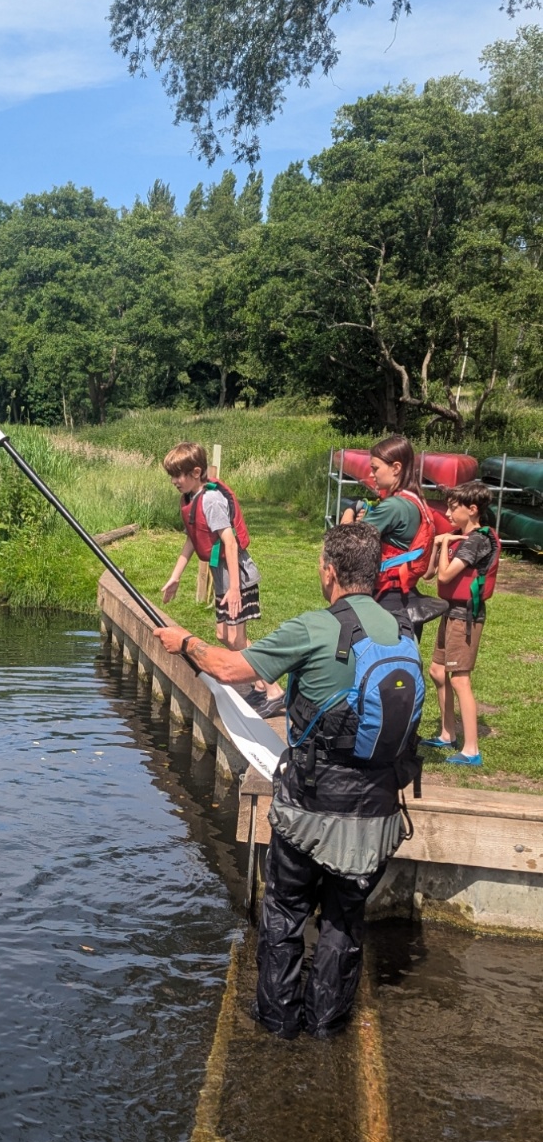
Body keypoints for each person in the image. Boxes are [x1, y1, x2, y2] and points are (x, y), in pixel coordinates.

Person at [154, 523, 423, 1038]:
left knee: (285, 911)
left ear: (330, 572)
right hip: (378, 808)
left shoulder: (315, 627)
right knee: (345, 919)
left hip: (311, 806)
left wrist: (184, 641)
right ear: (373, 573)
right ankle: (327, 1024)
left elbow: (227, 667)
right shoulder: (402, 632)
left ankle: (278, 1024)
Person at [160, 441, 284, 716]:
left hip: (236, 575)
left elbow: (230, 543)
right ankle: (259, 685)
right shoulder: (192, 499)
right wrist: (175, 577)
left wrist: (235, 589)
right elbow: (192, 540)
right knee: (223, 635)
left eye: (178, 475)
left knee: (237, 639)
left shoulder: (211, 500)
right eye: (171, 475)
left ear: (196, 472)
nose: (174, 481)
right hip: (223, 576)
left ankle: (275, 692)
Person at [421, 480, 500, 769]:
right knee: (437, 671)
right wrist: (437, 543)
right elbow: (429, 574)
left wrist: (444, 543)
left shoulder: (476, 540)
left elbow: (445, 576)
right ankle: (447, 734)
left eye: (453, 508)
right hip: (450, 612)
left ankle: (471, 750)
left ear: (473, 509)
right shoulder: (458, 537)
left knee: (459, 679)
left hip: (466, 616)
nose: (448, 513)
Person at [340, 434, 436, 633]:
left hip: (387, 600)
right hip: (404, 597)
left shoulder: (394, 506)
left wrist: (350, 509)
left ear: (396, 468)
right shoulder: (415, 500)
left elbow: (346, 542)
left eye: (375, 468)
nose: (371, 474)